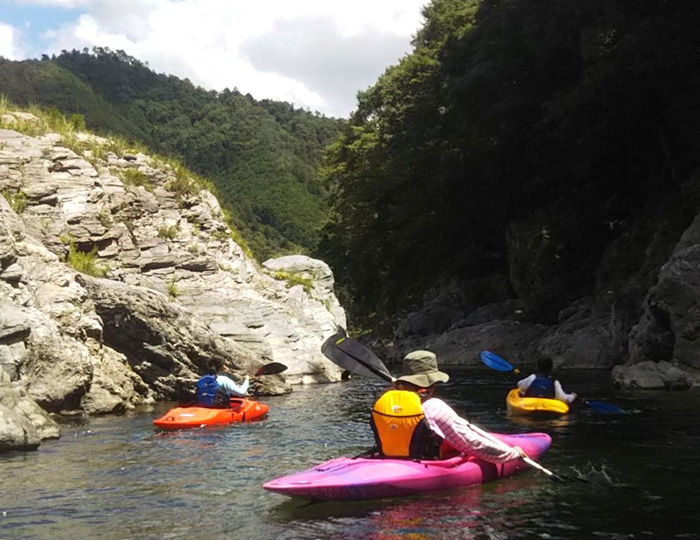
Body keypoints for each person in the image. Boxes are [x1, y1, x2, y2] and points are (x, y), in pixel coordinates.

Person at [370, 350, 526, 462]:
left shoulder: (383, 402)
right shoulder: (434, 407)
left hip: (386, 460)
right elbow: (472, 444)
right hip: (424, 465)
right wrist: (511, 454)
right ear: (432, 384)